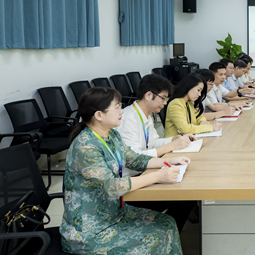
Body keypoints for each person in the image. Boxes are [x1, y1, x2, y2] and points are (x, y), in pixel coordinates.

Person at [60, 87, 189, 254]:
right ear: (99, 115)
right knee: (155, 236)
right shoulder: (85, 146)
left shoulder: (112, 135)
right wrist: (158, 176)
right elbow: (112, 186)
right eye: (117, 107)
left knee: (167, 223)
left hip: (114, 213)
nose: (122, 111)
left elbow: (134, 159)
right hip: (91, 229)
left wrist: (168, 161)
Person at [116, 74, 196, 172]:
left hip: (147, 168)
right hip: (134, 174)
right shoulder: (128, 118)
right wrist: (172, 146)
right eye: (163, 98)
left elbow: (153, 143)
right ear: (148, 95)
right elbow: (134, 158)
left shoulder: (146, 114)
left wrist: (174, 139)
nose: (165, 102)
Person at [164, 73, 223, 138]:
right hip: (175, 142)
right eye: (198, 90)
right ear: (189, 86)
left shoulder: (188, 103)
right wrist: (210, 128)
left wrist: (202, 121)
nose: (199, 94)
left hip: (187, 140)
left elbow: (199, 116)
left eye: (200, 91)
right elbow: (185, 129)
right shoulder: (176, 104)